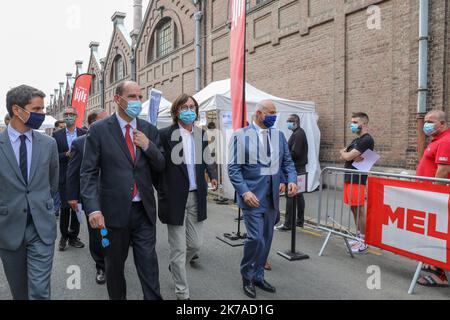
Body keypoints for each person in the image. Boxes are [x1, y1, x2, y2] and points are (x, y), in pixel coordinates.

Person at [81, 81, 165, 300]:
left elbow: (161, 165)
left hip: (143, 212)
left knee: (149, 265)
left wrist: (148, 146)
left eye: (140, 96)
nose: (137, 101)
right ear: (117, 99)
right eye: (132, 96)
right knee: (115, 267)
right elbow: (88, 173)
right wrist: (93, 209)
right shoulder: (99, 130)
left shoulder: (149, 130)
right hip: (112, 214)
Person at [228, 100, 297, 299]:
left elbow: (287, 162)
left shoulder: (279, 136)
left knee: (266, 239)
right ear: (259, 113)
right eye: (271, 113)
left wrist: (290, 180)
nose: (274, 116)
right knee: (255, 238)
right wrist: (244, 191)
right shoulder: (240, 136)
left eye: (276, 112)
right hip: (252, 197)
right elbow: (233, 168)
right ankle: (247, 275)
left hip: (272, 198)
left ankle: (258, 274)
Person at [0, 85, 59, 300]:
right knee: (20, 292)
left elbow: (53, 183)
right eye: (37, 109)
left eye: (43, 109)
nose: (42, 114)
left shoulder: (49, 144)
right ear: (17, 110)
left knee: (40, 291)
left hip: (41, 228)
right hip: (8, 229)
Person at [158, 94, 218, 300]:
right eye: (185, 107)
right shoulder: (165, 134)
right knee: (178, 248)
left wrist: (213, 174)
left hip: (197, 195)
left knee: (195, 244)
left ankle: (176, 266)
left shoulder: (200, 134)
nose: (189, 110)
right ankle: (182, 293)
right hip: (174, 197)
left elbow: (208, 157)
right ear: (176, 111)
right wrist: (162, 188)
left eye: (192, 107)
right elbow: (157, 165)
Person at [66, 109, 108, 285]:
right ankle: (101, 265)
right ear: (92, 124)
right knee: (97, 233)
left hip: (114, 196)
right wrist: (72, 196)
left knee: (111, 231)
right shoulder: (79, 143)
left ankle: (112, 260)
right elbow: (73, 172)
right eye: (104, 121)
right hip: (92, 196)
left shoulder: (115, 140)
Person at [415, 110, 450, 288]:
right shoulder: (437, 141)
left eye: (430, 121)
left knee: (438, 233)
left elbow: (442, 172)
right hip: (430, 195)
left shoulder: (445, 141)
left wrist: (432, 195)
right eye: (425, 120)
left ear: (442, 124)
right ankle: (434, 266)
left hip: (435, 197)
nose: (426, 124)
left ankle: (439, 273)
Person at [339, 112, 374, 254]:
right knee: (353, 208)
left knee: (359, 209)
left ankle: (364, 241)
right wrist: (347, 155)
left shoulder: (366, 140)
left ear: (363, 124)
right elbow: (344, 154)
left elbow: (346, 155)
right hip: (350, 178)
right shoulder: (356, 140)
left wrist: (347, 155)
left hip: (357, 179)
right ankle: (359, 237)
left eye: (354, 122)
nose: (351, 125)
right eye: (351, 122)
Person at [53, 107, 87, 251]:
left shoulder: (84, 133)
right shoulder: (57, 135)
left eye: (71, 114)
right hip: (64, 177)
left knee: (77, 208)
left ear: (76, 115)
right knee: (65, 208)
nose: (68, 117)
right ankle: (64, 236)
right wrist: (65, 155)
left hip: (80, 177)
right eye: (66, 114)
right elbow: (53, 157)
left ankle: (74, 237)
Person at [275, 114, 309, 231]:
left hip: (296, 168)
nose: (288, 123)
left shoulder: (299, 134)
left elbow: (296, 153)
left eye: (290, 121)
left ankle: (288, 223)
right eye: (288, 120)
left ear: (296, 122)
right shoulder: (297, 133)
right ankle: (299, 221)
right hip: (299, 168)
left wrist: (284, 155)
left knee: (291, 195)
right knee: (298, 195)